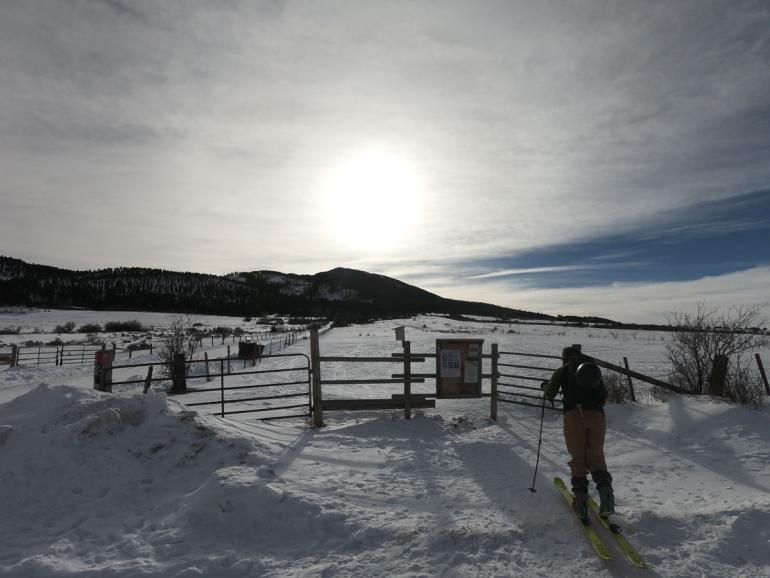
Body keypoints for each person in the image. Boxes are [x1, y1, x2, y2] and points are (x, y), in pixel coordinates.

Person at [542, 345, 615, 524]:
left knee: (578, 458)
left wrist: (546, 387)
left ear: (564, 358)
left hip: (574, 416)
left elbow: (549, 395)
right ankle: (607, 501)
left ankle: (581, 504)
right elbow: (604, 395)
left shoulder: (562, 371)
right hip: (597, 416)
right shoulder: (592, 370)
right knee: (596, 457)